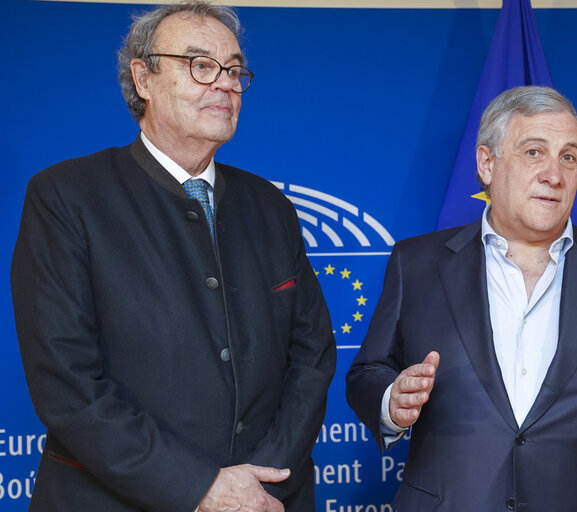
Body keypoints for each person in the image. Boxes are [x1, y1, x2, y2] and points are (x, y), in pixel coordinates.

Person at [11, 3, 335, 511]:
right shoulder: (66, 196)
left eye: (234, 70)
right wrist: (199, 486)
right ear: (144, 78)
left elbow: (312, 354)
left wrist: (263, 480)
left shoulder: (270, 206)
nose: (225, 84)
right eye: (200, 65)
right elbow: (67, 383)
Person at [346, 86, 577, 511]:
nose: (554, 174)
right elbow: (367, 371)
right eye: (534, 152)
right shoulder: (417, 263)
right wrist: (393, 400)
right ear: (486, 163)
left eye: (568, 157)